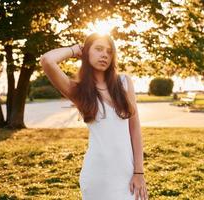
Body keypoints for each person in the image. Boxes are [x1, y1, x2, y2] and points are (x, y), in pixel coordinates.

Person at [40, 33, 148, 200]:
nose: (104, 54)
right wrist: (73, 49)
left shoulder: (124, 83)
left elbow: (135, 129)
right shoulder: (78, 90)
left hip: (128, 175)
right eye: (98, 49)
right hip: (98, 177)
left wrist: (139, 172)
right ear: (86, 52)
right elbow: (47, 60)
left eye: (109, 51)